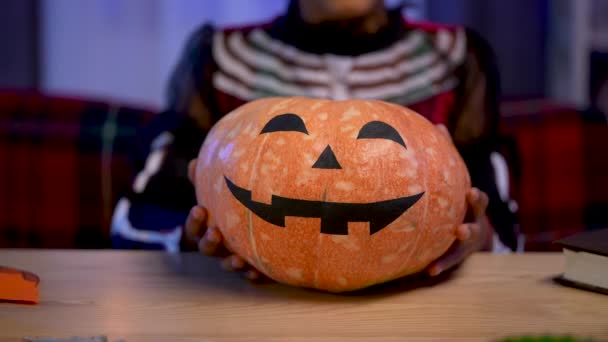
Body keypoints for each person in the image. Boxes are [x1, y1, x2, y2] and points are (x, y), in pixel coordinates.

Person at [111, 0, 520, 280]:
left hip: (417, 317)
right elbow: (134, 221)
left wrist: (476, 236)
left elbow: (505, 231)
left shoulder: (458, 56)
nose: (329, 165)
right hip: (244, 314)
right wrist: (196, 236)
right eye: (281, 129)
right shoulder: (219, 56)